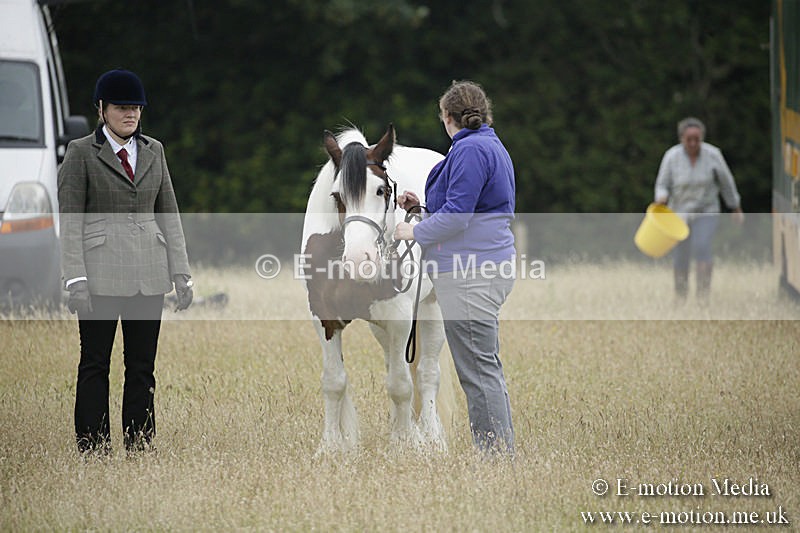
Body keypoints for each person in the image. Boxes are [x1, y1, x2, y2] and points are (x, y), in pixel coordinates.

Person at [58, 69, 193, 456]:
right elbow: (70, 221)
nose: (130, 114)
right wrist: (75, 278)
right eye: (121, 107)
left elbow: (169, 213)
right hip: (98, 276)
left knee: (141, 367)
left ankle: (139, 446)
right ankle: (94, 448)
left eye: (135, 107)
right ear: (101, 109)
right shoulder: (81, 153)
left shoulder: (155, 150)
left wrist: (180, 272)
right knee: (95, 364)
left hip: (149, 276)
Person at [394, 80, 516, 454]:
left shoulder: (468, 151)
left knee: (478, 374)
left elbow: (458, 218)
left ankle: (495, 457)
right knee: (482, 368)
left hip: (470, 274)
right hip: (482, 265)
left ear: (447, 117)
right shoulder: (488, 145)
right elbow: (468, 209)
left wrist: (413, 231)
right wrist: (424, 208)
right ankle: (497, 452)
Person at [654, 117, 744, 300]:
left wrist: (735, 207)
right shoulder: (671, 157)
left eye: (697, 139)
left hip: (706, 211)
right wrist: (661, 198)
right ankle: (681, 297)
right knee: (681, 255)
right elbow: (662, 184)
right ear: (681, 139)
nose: (694, 143)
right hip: (679, 213)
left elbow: (726, 182)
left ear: (702, 138)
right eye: (689, 139)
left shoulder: (713, 155)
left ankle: (703, 297)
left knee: (702, 246)